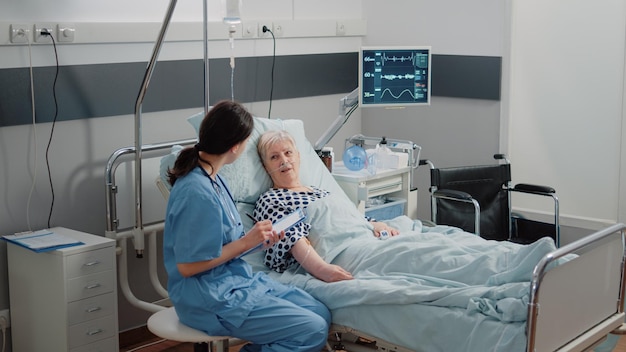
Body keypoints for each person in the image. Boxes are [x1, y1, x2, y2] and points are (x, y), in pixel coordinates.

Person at [163, 101, 331, 352]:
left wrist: (258, 240)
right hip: (209, 297)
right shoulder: (196, 192)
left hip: (236, 280)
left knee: (319, 312)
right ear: (235, 147)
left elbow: (222, 246)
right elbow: (188, 266)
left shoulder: (214, 178)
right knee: (312, 329)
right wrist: (246, 242)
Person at [253, 129, 399, 282]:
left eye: (288, 153)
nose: (284, 160)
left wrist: (378, 225)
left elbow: (352, 217)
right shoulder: (271, 199)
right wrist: (322, 270)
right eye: (274, 157)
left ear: (298, 156)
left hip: (368, 238)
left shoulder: (320, 191)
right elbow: (290, 237)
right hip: (341, 251)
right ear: (265, 167)